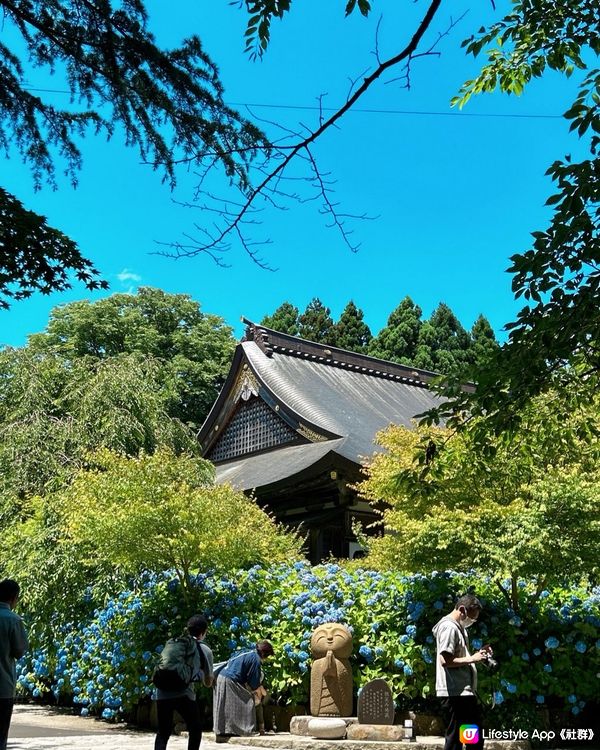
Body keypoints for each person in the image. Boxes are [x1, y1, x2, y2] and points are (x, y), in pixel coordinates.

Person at [432, 594, 491, 750]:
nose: (471, 622)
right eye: (471, 618)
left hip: (463, 692)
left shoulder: (459, 628)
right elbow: (445, 660)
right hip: (454, 693)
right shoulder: (449, 627)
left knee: (471, 737)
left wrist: (480, 654)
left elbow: (459, 657)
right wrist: (472, 659)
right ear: (462, 609)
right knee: (456, 739)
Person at [154, 614, 214, 750]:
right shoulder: (205, 650)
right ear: (204, 632)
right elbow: (208, 682)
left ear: (188, 629)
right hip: (184, 694)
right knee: (195, 728)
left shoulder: (175, 643)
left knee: (163, 732)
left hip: (162, 692)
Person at [213, 640, 274, 742]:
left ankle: (224, 730)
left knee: (226, 706)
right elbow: (254, 683)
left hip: (221, 677)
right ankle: (245, 730)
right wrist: (259, 695)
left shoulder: (246, 651)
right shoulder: (256, 659)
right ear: (264, 653)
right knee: (247, 702)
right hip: (230, 680)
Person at [0, 579, 28, 750]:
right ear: (14, 598)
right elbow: (19, 651)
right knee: (1, 735)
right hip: (3, 686)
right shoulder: (13, 620)